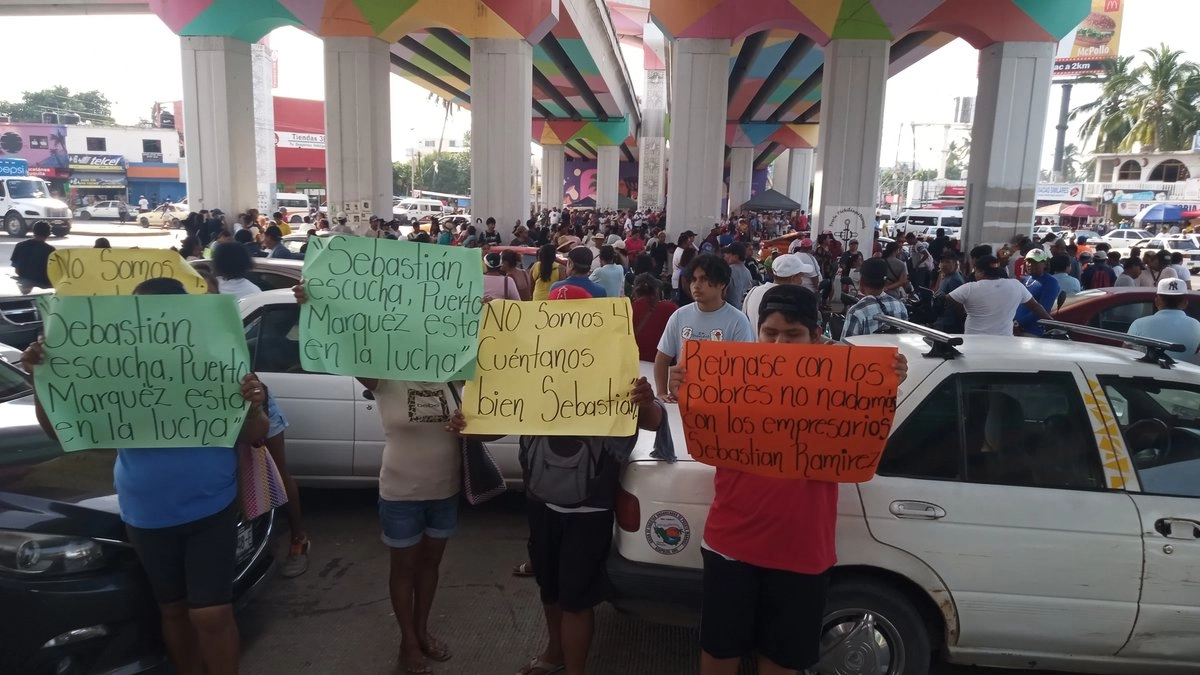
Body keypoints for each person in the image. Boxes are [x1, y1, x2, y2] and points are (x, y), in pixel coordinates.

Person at [22, 277, 270, 675]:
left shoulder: (219, 361)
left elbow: (256, 435)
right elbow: (61, 430)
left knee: (210, 613)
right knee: (171, 610)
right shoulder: (114, 367)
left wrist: (255, 406)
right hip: (146, 513)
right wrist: (41, 379)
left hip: (211, 507)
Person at [665, 284, 907, 675]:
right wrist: (683, 386)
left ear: (815, 337)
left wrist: (885, 379)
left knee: (782, 660)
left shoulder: (840, 382)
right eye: (770, 333)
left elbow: (866, 427)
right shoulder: (731, 375)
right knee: (719, 649)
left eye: (792, 335)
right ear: (757, 333)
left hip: (802, 553)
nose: (779, 343)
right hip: (731, 545)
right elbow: (698, 433)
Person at [294, 283, 462, 673]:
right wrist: (320, 306)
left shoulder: (456, 377)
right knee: (403, 568)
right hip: (401, 492)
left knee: (430, 567)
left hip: (446, 490)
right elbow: (346, 342)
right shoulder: (384, 376)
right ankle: (408, 642)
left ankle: (422, 631)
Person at [653, 254, 755, 400]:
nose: (696, 285)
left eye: (704, 279)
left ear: (721, 284)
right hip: (683, 402)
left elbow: (744, 370)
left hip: (721, 401)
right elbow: (662, 358)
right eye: (693, 279)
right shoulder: (679, 315)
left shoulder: (738, 321)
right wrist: (661, 393)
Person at [946, 254, 1052, 336]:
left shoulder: (969, 288)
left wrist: (962, 311)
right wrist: (1053, 324)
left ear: (980, 272)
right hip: (1004, 342)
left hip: (974, 342)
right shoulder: (1016, 285)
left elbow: (945, 302)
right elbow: (1036, 306)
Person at [1127, 278, 1200, 365]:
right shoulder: (1197, 326)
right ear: (1185, 303)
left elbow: (1126, 354)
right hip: (1185, 377)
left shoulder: (1138, 324)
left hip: (1146, 376)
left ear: (1157, 301)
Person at [843, 258, 910, 338]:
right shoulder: (900, 307)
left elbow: (846, 348)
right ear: (885, 282)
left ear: (862, 281)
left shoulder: (857, 312)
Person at [742, 253, 809, 328]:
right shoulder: (791, 301)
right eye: (801, 276)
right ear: (792, 278)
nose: (801, 281)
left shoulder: (753, 292)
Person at [631, 273, 678, 362]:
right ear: (656, 290)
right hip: (664, 366)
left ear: (635, 291)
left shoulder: (628, 309)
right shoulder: (671, 308)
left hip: (636, 364)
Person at [1014, 249, 1061, 337]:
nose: (1031, 264)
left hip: (1031, 331)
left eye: (1036, 262)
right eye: (1029, 261)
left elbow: (1043, 309)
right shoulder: (1024, 279)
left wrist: (1018, 324)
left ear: (1045, 264)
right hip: (1013, 329)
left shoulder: (1050, 282)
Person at [11, 221, 55, 289]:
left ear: (33, 231)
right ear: (48, 234)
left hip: (24, 284)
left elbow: (17, 270)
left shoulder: (20, 246)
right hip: (45, 287)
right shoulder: (51, 251)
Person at [721, 242, 754, 311]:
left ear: (735, 257)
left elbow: (721, 294)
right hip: (742, 312)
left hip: (728, 311)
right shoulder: (748, 272)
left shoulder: (729, 271)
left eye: (727, 253)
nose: (725, 256)